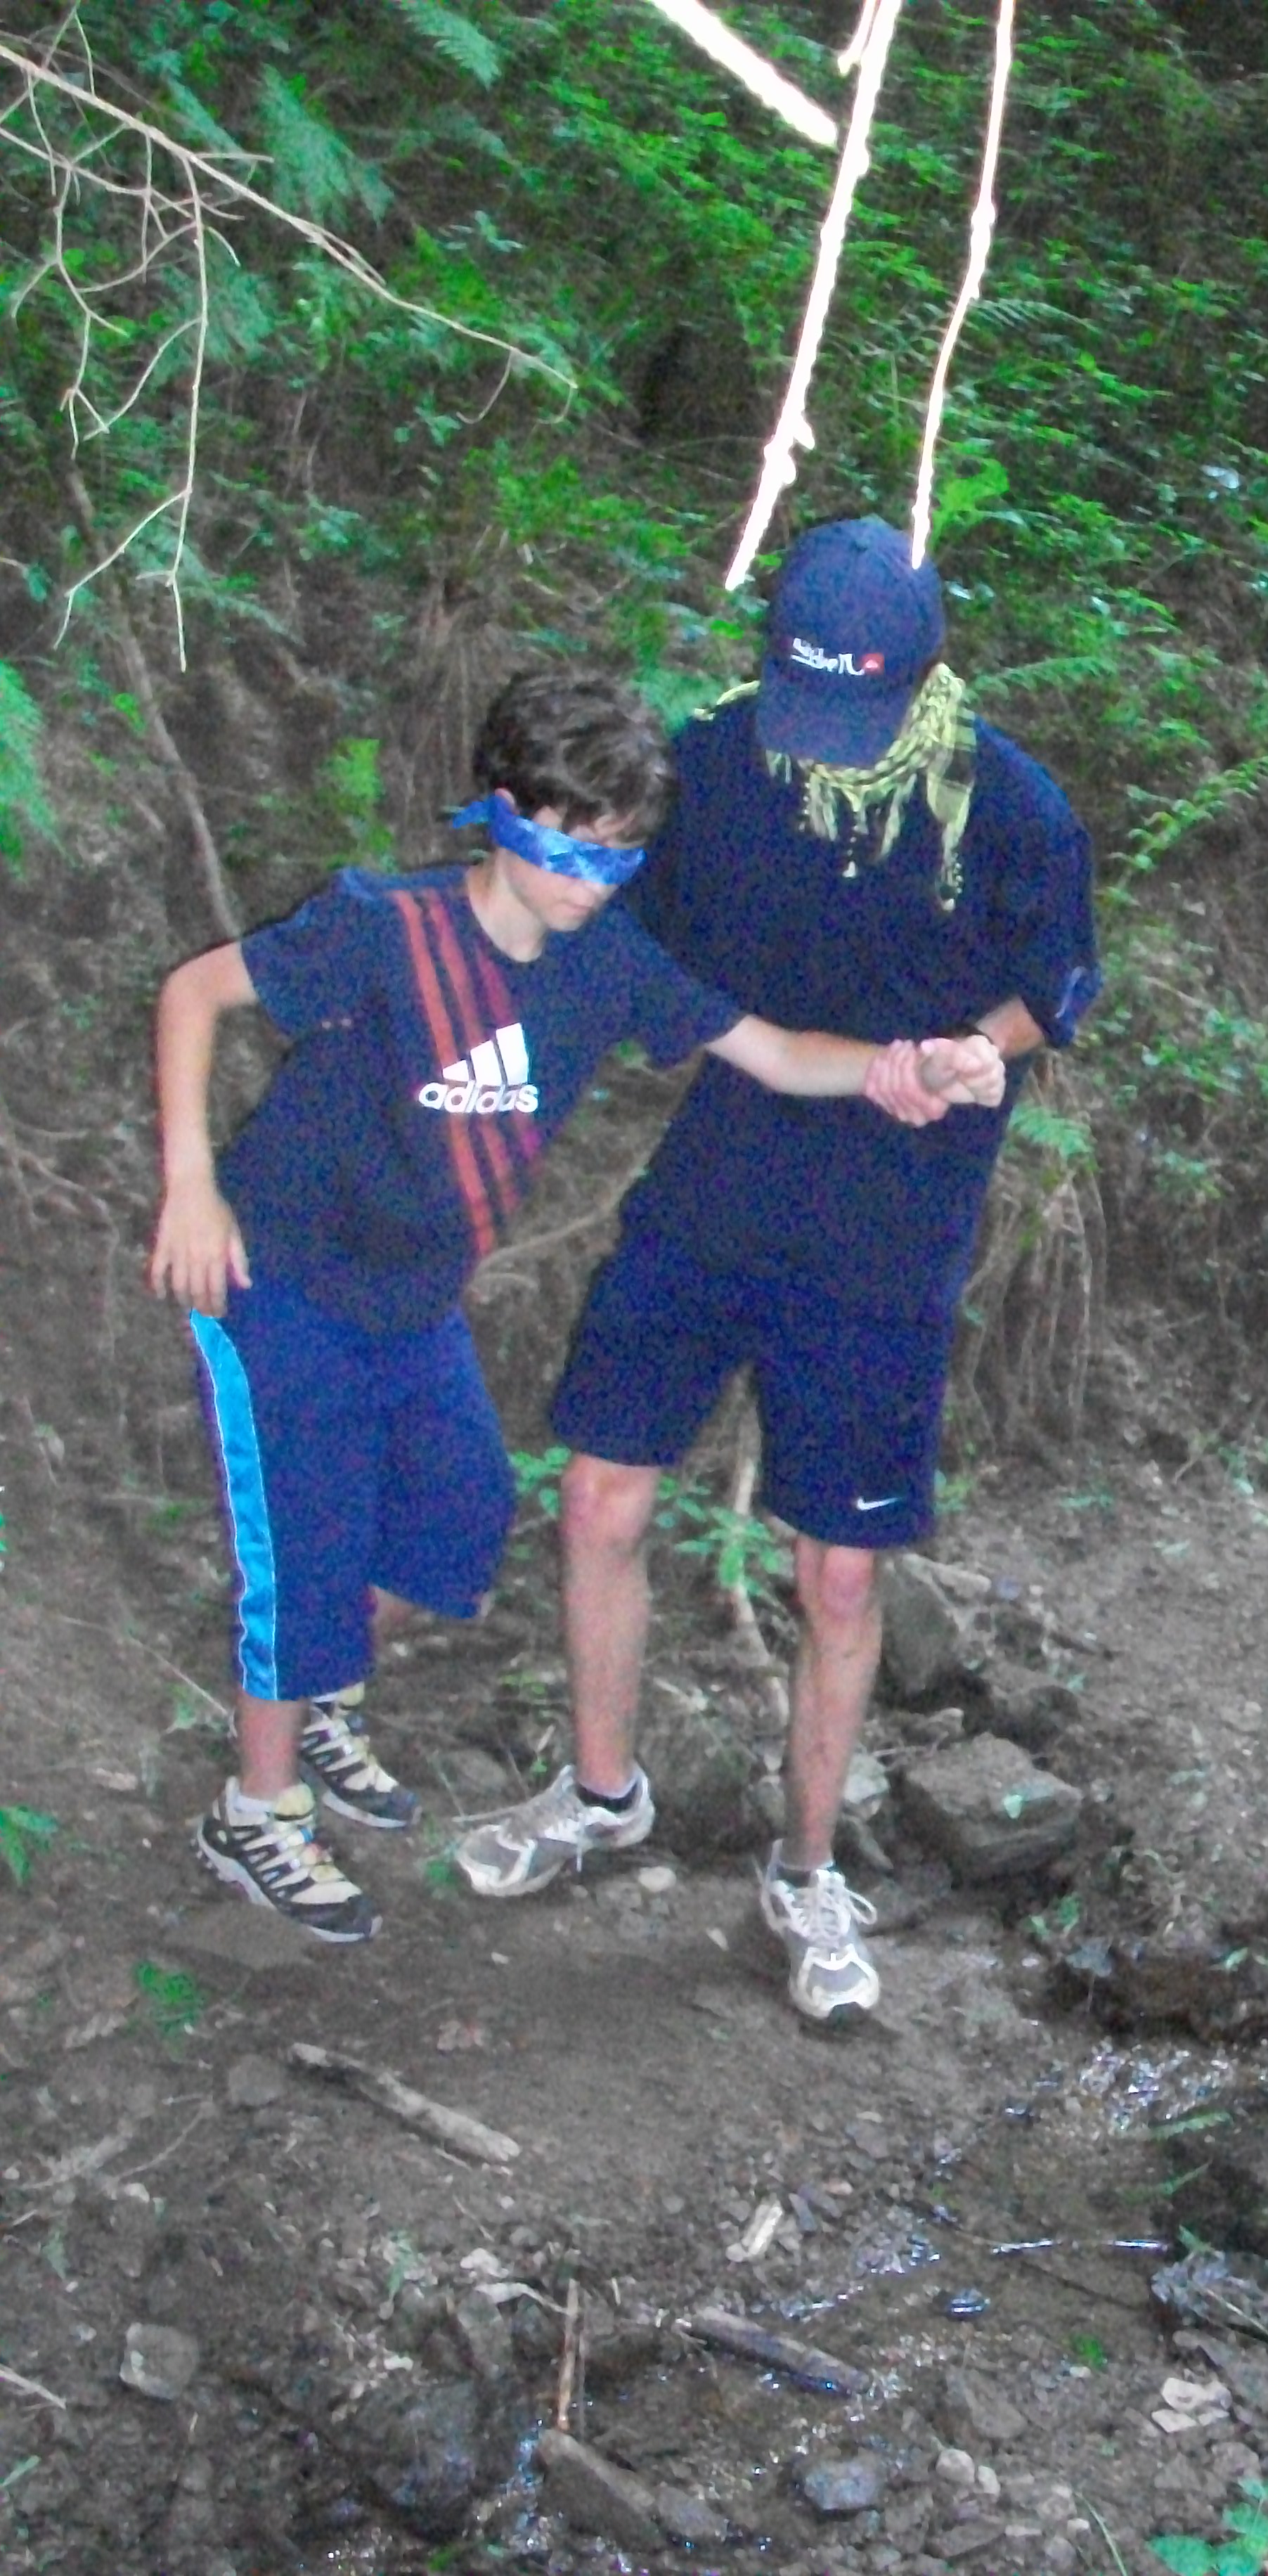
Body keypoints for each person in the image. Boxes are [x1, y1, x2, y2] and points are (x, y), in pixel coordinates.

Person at [149, 664, 996, 1943]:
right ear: (503, 813)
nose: (592, 882)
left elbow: (769, 1051)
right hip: (282, 1286)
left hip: (416, 1302)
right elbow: (195, 992)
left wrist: (900, 1068)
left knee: (460, 1516)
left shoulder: (604, 962)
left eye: (619, 856)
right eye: (569, 850)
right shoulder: (383, 927)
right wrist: (189, 1186)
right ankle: (255, 1812)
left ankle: (314, 1693)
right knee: (308, 1560)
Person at [454, 520, 1100, 2024]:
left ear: (921, 678)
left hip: (892, 1227)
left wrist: (970, 1050)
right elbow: (602, 920)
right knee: (599, 1493)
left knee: (840, 1569)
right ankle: (601, 1792)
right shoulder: (713, 766)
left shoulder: (1007, 803)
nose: (819, 740)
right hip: (719, 1181)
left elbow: (1053, 982)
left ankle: (804, 1874)